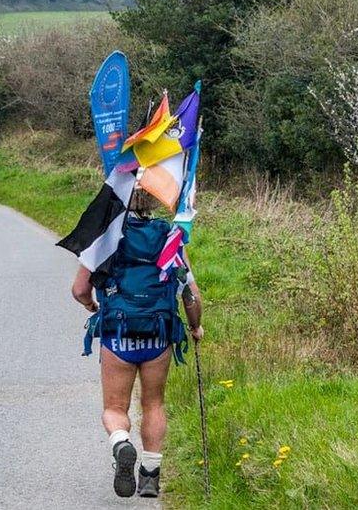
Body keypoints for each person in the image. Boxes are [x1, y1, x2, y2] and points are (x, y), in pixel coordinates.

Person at [70, 190, 203, 498]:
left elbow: (79, 289)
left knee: (115, 408)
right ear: (157, 199)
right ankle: (150, 476)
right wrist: (195, 326)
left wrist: (92, 306)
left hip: (118, 332)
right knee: (153, 403)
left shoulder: (107, 235)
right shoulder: (170, 237)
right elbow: (190, 294)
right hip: (158, 334)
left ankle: (121, 443)